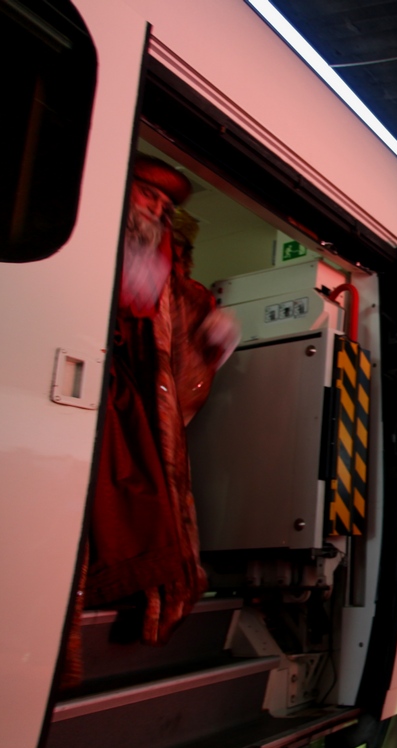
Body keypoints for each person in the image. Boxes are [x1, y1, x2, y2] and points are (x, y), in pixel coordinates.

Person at [72, 155, 240, 682]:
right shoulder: (83, 234)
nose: (156, 208)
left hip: (129, 405)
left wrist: (212, 330)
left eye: (163, 205)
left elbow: (189, 316)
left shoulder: (163, 268)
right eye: (149, 196)